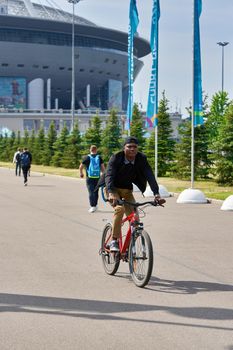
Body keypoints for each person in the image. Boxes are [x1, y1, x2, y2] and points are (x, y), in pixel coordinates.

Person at [100, 136, 164, 252]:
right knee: (120, 209)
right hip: (112, 189)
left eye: (135, 147)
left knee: (135, 217)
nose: (132, 149)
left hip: (127, 190)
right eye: (129, 147)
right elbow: (108, 175)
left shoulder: (141, 158)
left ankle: (131, 246)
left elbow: (149, 175)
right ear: (124, 148)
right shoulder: (116, 157)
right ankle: (114, 240)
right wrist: (110, 192)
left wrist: (156, 194)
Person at [79, 145, 105, 213]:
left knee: (91, 192)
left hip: (89, 178)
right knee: (96, 192)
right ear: (96, 150)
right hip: (97, 177)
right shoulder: (99, 157)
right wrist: (104, 176)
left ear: (90, 150)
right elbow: (103, 168)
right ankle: (95, 206)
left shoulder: (86, 157)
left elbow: (81, 167)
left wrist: (81, 173)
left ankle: (92, 206)